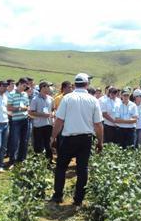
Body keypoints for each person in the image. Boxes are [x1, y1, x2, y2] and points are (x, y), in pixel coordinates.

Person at [50, 73, 103, 207]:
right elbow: (98, 124)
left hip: (68, 138)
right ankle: (78, 199)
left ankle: (58, 196)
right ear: (87, 84)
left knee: (61, 167)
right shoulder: (93, 100)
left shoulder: (67, 98)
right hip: (86, 139)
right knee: (82, 169)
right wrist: (100, 141)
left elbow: (59, 120)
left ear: (75, 84)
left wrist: (53, 137)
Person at [7, 77, 30, 167]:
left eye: (26, 86)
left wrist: (27, 108)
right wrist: (20, 108)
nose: (24, 88)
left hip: (25, 119)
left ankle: (21, 159)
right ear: (19, 84)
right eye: (24, 85)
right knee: (15, 140)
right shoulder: (11, 94)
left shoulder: (25, 94)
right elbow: (9, 107)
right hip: (15, 120)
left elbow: (27, 105)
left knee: (24, 140)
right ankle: (12, 160)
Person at [29, 81, 55, 161]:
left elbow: (53, 109)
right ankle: (37, 161)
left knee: (48, 143)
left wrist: (53, 113)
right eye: (47, 86)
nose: (49, 88)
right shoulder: (35, 99)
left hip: (48, 124)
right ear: (43, 87)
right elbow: (31, 112)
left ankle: (49, 160)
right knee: (38, 144)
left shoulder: (51, 99)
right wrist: (43, 115)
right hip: (38, 125)